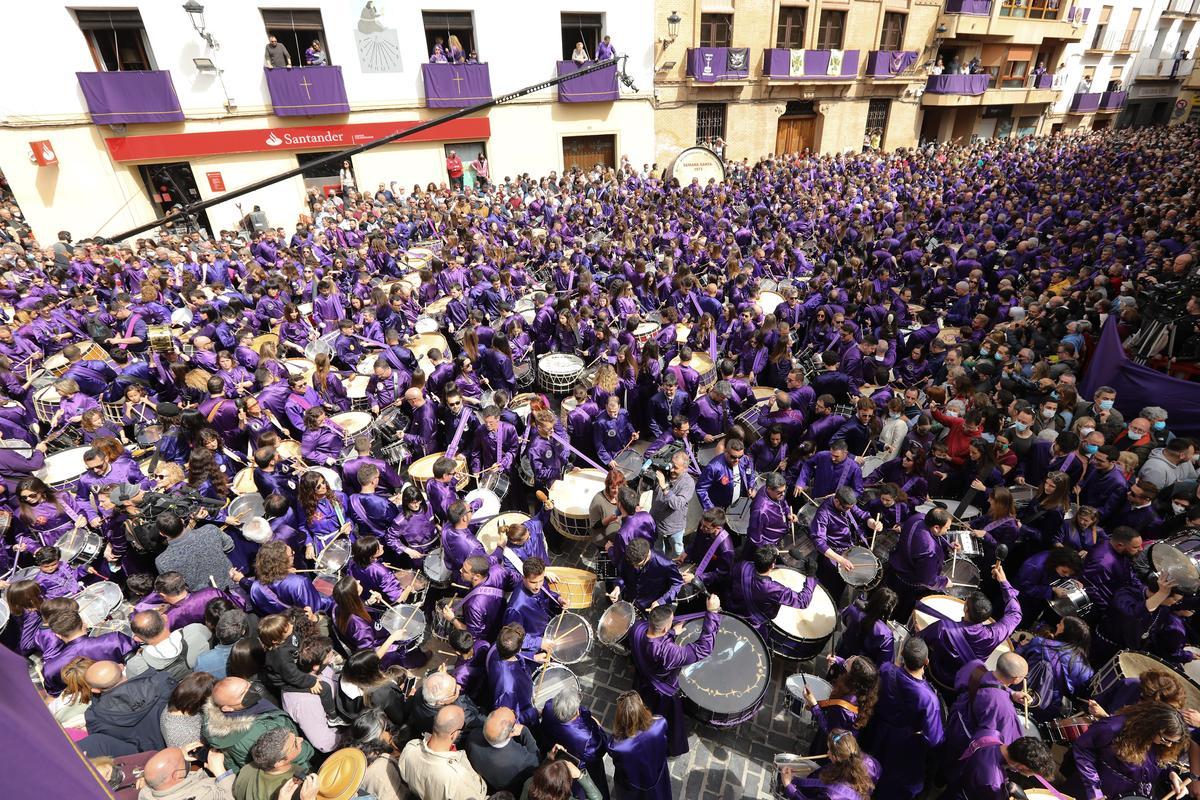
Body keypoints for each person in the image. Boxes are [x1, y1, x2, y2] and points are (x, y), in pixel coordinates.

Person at [628, 594, 721, 757]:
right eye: (670, 623)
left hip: (642, 680)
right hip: (663, 692)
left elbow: (654, 639)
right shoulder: (670, 653)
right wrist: (712, 613)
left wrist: (671, 632)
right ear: (663, 628)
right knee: (669, 722)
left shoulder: (637, 628)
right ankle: (668, 746)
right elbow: (703, 649)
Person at [80, 660, 175, 757]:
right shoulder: (162, 682)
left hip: (146, 760)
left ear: (95, 690)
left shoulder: (95, 718)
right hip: (180, 743)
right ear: (121, 667)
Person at [397, 704, 489, 800]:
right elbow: (478, 796)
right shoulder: (457, 778)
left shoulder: (411, 747)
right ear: (453, 734)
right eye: (463, 725)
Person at [608, 691, 671, 800]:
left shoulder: (618, 746)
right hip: (657, 773)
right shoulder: (660, 724)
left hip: (634, 784)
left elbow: (613, 754)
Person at [463, 706, 541, 794]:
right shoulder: (522, 761)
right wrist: (525, 731)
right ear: (511, 732)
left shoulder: (473, 737)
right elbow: (536, 761)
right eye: (515, 715)